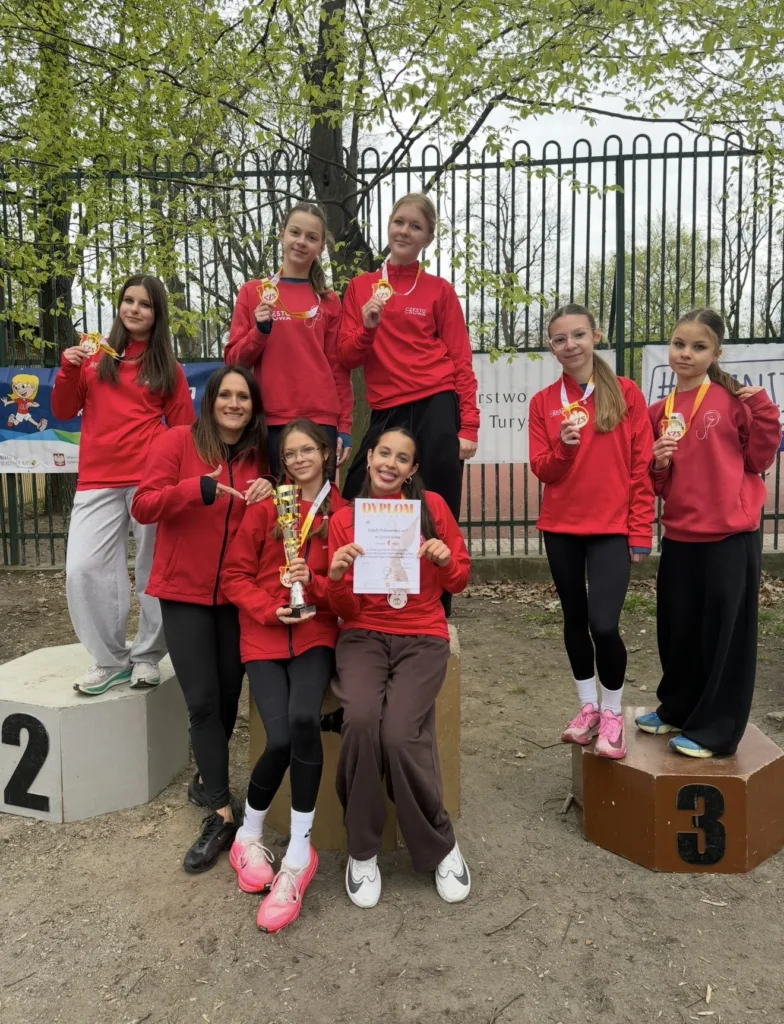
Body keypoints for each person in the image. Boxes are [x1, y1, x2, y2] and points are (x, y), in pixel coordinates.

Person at [131, 365, 272, 871]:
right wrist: (193, 490)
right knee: (204, 703)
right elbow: (143, 505)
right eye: (225, 395)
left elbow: (280, 516)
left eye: (243, 397)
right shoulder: (177, 442)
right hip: (183, 594)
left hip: (236, 597)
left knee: (228, 699)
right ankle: (220, 812)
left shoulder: (262, 456)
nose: (234, 403)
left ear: (253, 407)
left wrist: (270, 490)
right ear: (210, 400)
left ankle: (204, 779)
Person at [327, 427, 471, 909]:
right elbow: (343, 608)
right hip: (363, 634)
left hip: (422, 634)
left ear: (412, 470)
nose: (390, 463)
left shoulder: (432, 508)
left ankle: (439, 844)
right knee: (361, 720)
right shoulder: (346, 519)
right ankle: (362, 849)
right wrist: (337, 576)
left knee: (399, 733)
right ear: (369, 458)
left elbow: (460, 580)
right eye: (384, 453)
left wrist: (446, 561)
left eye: (402, 458)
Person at [638, 309, 781, 758]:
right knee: (678, 631)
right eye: (679, 344)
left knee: (725, 639)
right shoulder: (658, 411)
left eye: (699, 347)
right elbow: (659, 485)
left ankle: (716, 731)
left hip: (729, 537)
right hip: (681, 536)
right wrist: (659, 463)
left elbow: (759, 460)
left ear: (716, 353)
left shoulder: (734, 400)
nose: (686, 353)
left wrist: (764, 410)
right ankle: (678, 708)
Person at [221, 419, 345, 932]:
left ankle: (298, 855)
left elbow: (349, 592)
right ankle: (247, 836)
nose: (298, 460)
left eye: (307, 450)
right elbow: (234, 577)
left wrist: (314, 584)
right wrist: (270, 610)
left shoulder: (344, 513)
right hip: (264, 636)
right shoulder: (266, 508)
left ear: (326, 452)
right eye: (289, 453)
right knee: (277, 740)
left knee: (302, 721)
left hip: (316, 636)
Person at [52, 274, 195, 695]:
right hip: (96, 480)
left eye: (145, 304)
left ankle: (147, 656)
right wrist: (67, 368)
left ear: (157, 313)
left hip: (150, 481)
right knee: (83, 570)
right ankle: (109, 660)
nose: (134, 309)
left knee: (154, 571)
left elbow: (184, 431)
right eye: (128, 300)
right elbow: (63, 410)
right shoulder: (93, 358)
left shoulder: (168, 367)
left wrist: (180, 484)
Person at [337, 192, 479, 614]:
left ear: (427, 239)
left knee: (436, 504)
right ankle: (368, 593)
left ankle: (437, 607)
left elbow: (460, 359)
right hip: (388, 409)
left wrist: (468, 425)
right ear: (389, 225)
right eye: (399, 222)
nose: (404, 231)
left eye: (415, 226)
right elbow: (346, 356)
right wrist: (367, 326)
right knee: (357, 490)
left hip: (437, 405)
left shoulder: (439, 290)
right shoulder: (361, 287)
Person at [528, 303, 654, 760]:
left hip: (610, 528)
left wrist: (640, 531)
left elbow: (640, 467)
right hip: (560, 527)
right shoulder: (543, 402)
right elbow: (542, 469)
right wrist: (563, 448)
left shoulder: (625, 393)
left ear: (595, 336)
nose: (570, 345)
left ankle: (613, 711)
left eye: (578, 335)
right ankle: (588, 708)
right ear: (551, 347)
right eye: (560, 339)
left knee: (604, 623)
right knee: (574, 618)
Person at [224, 202, 353, 476]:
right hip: (270, 418)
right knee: (274, 497)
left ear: (321, 247)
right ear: (282, 234)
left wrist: (344, 426)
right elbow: (234, 362)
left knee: (319, 500)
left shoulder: (329, 300)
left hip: (321, 419)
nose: (301, 241)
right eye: (295, 232)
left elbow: (338, 369)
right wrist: (259, 331)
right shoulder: (253, 292)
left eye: (311, 237)